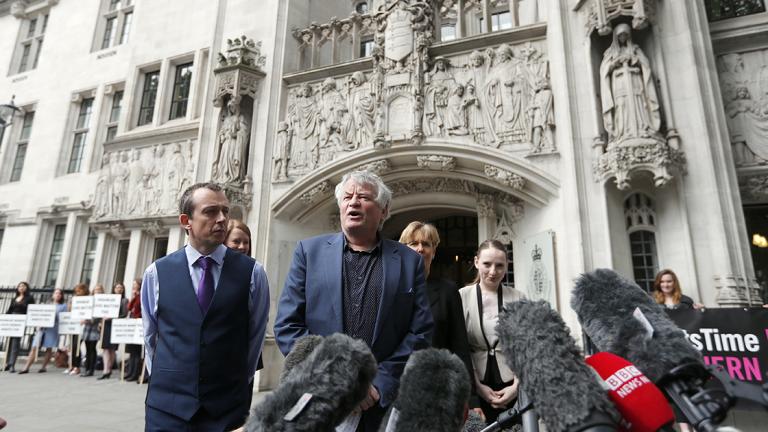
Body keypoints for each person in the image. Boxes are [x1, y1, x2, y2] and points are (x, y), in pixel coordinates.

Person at [274, 170, 434, 431]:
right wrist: (338, 381)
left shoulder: (408, 261)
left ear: (383, 210)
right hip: (318, 399)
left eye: (363, 197)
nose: (353, 202)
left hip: (379, 404)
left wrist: (379, 384)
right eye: (347, 197)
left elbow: (420, 331)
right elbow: (288, 326)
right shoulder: (308, 253)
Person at [141, 182, 270, 431]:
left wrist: (236, 384)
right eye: (211, 211)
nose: (222, 219)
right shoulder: (156, 273)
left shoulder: (253, 273)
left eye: (225, 211)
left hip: (227, 409)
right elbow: (150, 336)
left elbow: (254, 338)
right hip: (167, 409)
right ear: (185, 220)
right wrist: (169, 378)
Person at [398, 222, 474, 396]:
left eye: (426, 244)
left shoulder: (448, 291)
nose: (420, 249)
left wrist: (470, 398)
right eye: (413, 243)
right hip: (397, 387)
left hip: (438, 388)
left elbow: (460, 345)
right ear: (402, 250)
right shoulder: (389, 288)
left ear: (434, 252)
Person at [458, 240, 525, 423]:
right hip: (475, 385)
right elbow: (460, 346)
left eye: (499, 265)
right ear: (476, 262)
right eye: (487, 264)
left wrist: (516, 387)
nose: (493, 271)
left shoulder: (518, 297)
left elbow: (526, 346)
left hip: (512, 384)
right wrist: (477, 387)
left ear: (507, 266)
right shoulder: (461, 296)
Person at [225, 219, 265, 374]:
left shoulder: (255, 272)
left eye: (246, 242)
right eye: (236, 241)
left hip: (242, 355)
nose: (242, 247)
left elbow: (259, 321)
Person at [19, 288, 67, 374]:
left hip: (53, 328)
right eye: (56, 293)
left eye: (60, 293)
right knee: (34, 347)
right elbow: (40, 315)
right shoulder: (47, 304)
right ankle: (26, 367)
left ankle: (43, 367)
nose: (58, 295)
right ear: (53, 295)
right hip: (42, 328)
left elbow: (63, 318)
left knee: (49, 348)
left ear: (62, 296)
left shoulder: (63, 306)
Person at [98, 282, 128, 380]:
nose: (119, 289)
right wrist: (101, 321)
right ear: (114, 289)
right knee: (105, 348)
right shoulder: (109, 299)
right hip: (106, 325)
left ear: (123, 290)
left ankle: (110, 368)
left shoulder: (124, 301)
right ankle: (105, 370)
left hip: (115, 326)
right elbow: (102, 310)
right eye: (117, 287)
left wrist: (113, 317)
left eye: (121, 288)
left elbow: (124, 314)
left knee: (112, 349)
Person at [4, 282, 35, 372]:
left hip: (20, 321)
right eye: (20, 286)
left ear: (26, 288)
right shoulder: (14, 298)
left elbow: (31, 310)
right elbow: (9, 310)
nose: (21, 288)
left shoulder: (29, 298)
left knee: (16, 342)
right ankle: (7, 363)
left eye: (23, 286)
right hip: (11, 321)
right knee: (9, 342)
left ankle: (12, 364)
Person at [64, 283, 89, 376]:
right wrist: (71, 303)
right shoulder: (74, 299)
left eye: (80, 290)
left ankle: (77, 367)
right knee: (73, 346)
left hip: (82, 325)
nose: (78, 292)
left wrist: (85, 319)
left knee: (76, 346)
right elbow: (69, 311)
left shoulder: (88, 300)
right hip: (74, 324)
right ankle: (72, 365)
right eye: (77, 290)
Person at [80, 284, 104, 377]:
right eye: (96, 289)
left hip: (94, 327)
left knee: (92, 348)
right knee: (87, 348)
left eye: (99, 289)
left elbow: (100, 314)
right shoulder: (89, 300)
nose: (97, 291)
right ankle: (86, 368)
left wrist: (89, 319)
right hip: (87, 328)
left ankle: (91, 369)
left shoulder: (102, 301)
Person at [125, 279, 143, 382]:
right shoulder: (135, 296)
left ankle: (135, 373)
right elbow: (129, 307)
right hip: (132, 324)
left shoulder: (141, 296)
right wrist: (133, 296)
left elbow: (139, 309)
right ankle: (130, 372)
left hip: (138, 324)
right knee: (131, 351)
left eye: (135, 284)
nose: (134, 286)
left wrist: (137, 296)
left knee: (136, 351)